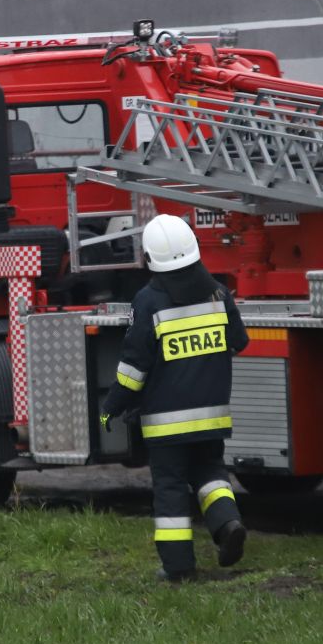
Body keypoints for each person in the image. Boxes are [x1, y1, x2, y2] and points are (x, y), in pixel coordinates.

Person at [99, 213, 250, 582]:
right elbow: (240, 342)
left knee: (169, 490)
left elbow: (135, 367)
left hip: (166, 424)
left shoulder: (147, 302)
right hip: (213, 416)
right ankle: (228, 524)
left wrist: (112, 407)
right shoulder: (218, 293)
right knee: (212, 475)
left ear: (151, 258)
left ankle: (179, 568)